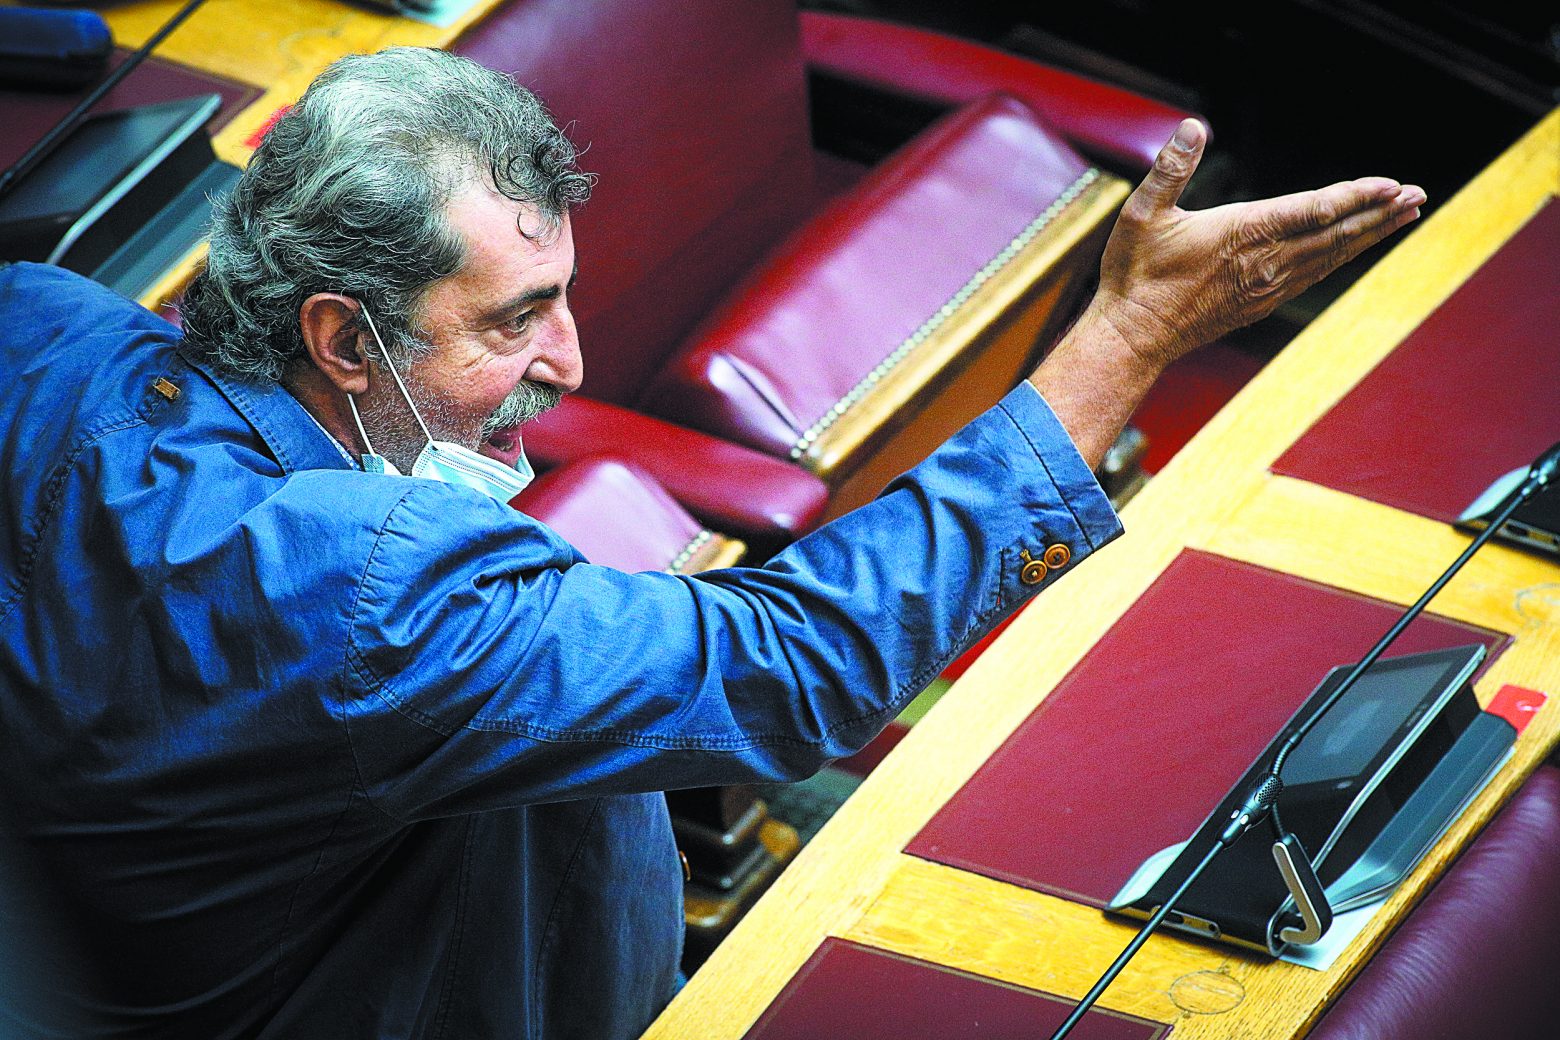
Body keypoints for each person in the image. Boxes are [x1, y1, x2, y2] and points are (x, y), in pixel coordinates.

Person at [0, 46, 1422, 1040]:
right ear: (342, 339)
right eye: (513, 320)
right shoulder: (367, 597)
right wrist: (1131, 339)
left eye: (561, 294)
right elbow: (788, 665)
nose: (570, 360)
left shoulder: (41, 325)